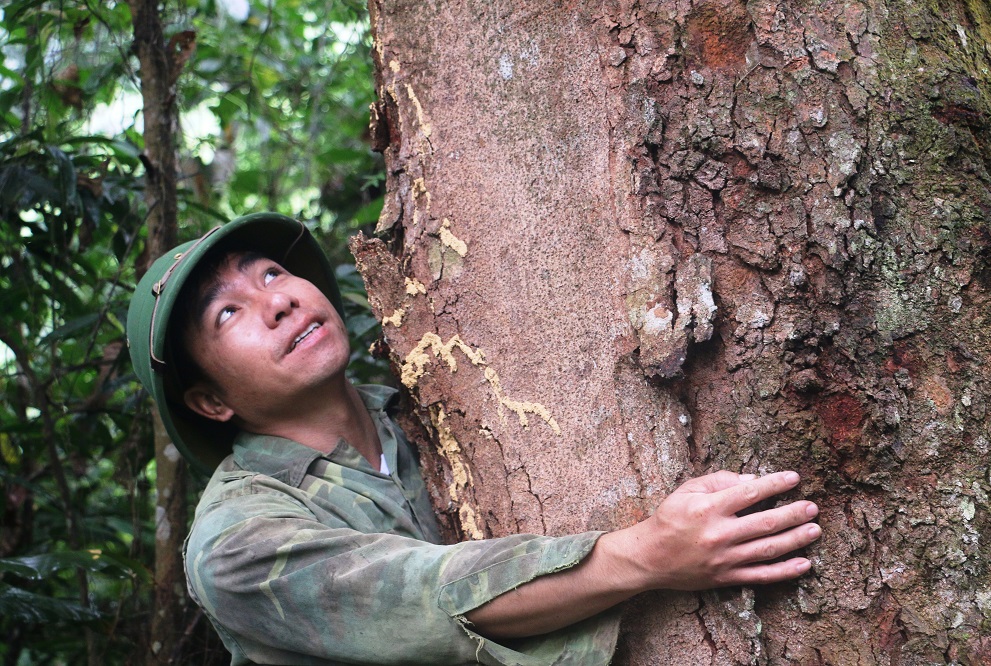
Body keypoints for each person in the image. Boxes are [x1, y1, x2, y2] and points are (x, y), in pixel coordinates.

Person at [127, 213, 822, 665]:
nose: (277, 299)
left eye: (271, 273)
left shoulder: (430, 404)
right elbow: (424, 594)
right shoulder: (235, 545)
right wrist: (648, 555)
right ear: (210, 401)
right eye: (229, 313)